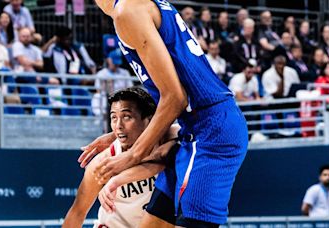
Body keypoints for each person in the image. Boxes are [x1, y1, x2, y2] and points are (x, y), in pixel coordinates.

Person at [79, 0, 248, 227]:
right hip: (194, 128)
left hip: (209, 130)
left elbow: (175, 98)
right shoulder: (136, 7)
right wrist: (116, 136)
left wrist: (132, 155)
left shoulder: (127, 11)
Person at [63, 87, 177, 228]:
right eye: (113, 118)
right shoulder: (103, 162)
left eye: (126, 117)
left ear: (149, 120)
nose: (118, 126)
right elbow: (77, 213)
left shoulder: (169, 138)